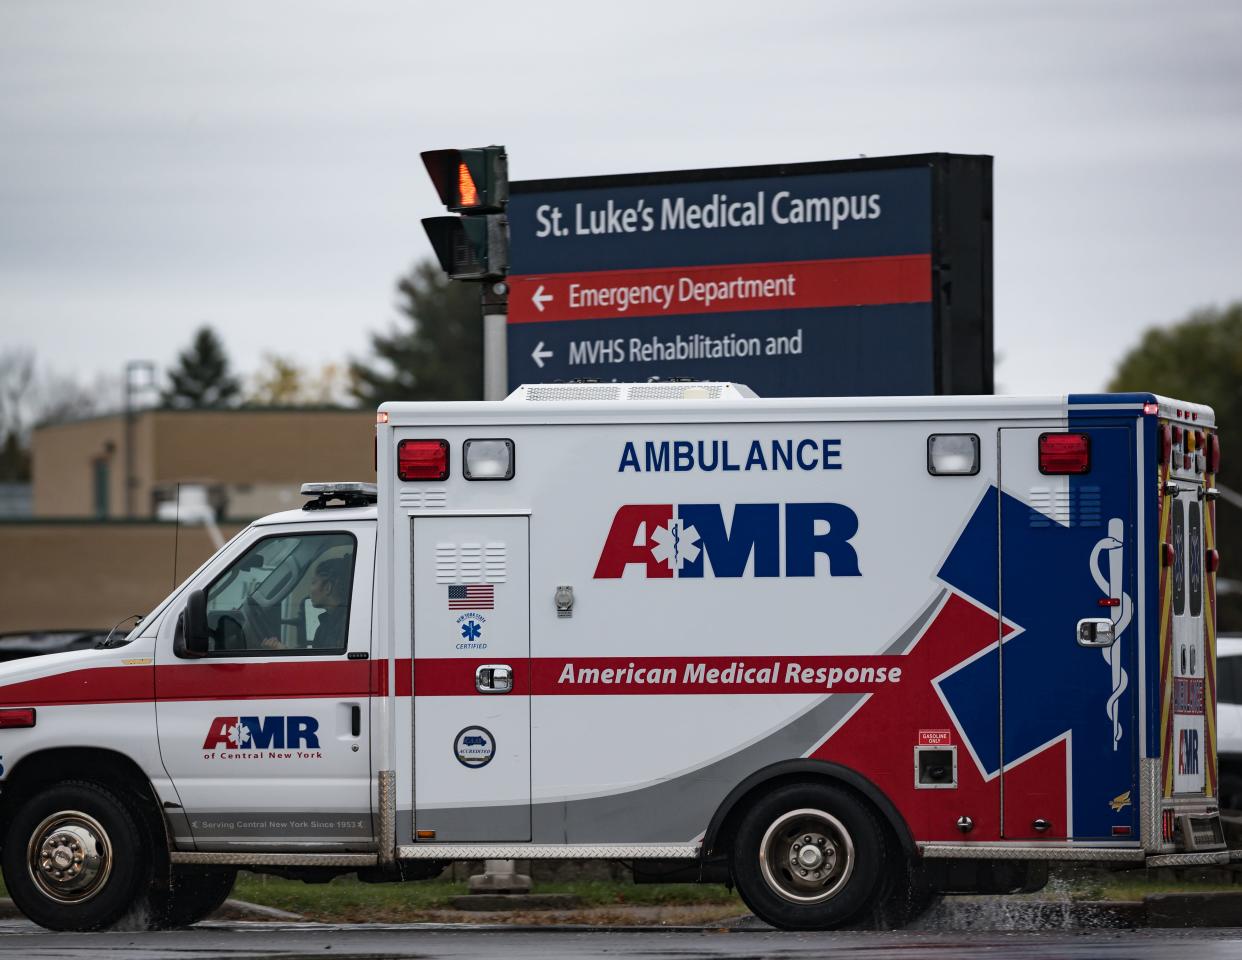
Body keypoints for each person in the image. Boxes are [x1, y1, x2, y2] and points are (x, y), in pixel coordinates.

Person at [306, 558, 350, 650]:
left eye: (314, 582)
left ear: (327, 587)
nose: (310, 590)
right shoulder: (325, 625)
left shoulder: (345, 624)